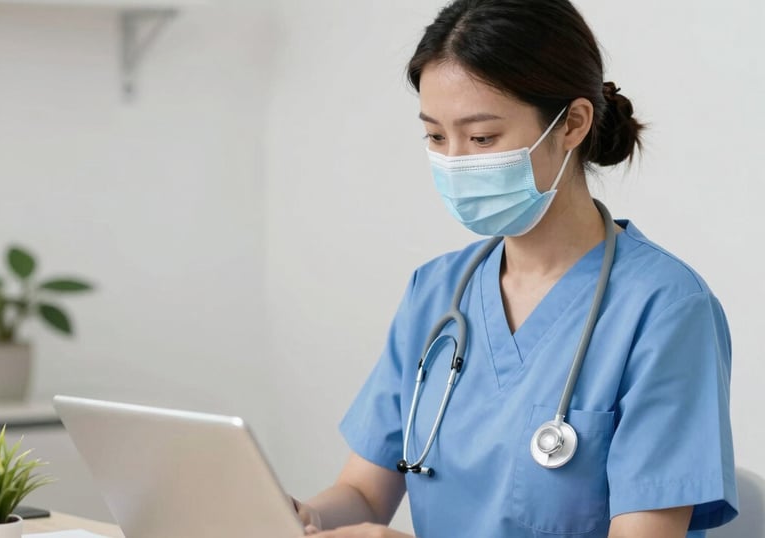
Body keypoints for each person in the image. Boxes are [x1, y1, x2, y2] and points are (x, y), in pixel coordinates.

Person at [294, 1, 738, 536]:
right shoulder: (435, 293)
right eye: (436, 136)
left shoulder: (665, 309)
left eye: (482, 138)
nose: (455, 161)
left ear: (572, 123)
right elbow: (365, 493)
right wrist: (302, 517)